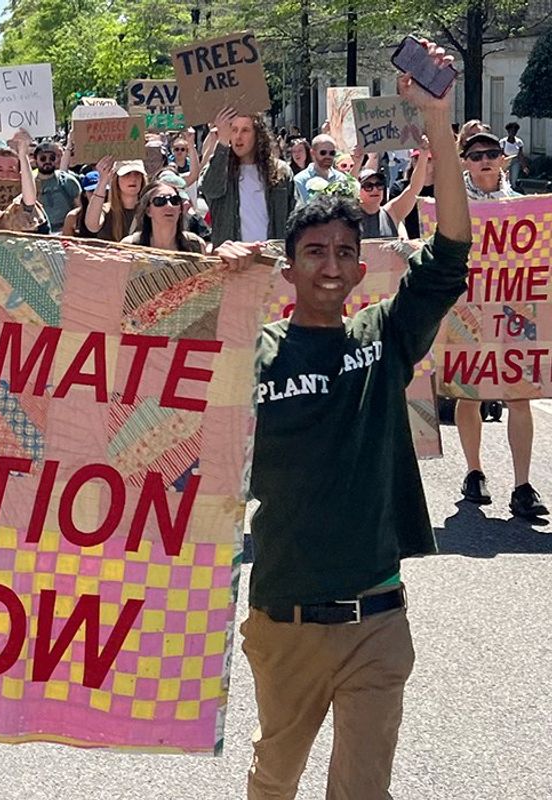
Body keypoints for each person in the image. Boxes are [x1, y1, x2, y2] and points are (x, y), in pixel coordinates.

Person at [219, 39, 472, 799]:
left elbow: (451, 251)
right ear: (288, 266)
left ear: (362, 268)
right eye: (313, 252)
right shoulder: (251, 356)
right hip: (283, 620)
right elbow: (156, 373)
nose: (330, 265)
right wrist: (213, 284)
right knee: (274, 781)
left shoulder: (382, 340)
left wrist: (438, 122)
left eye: (343, 252)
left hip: (377, 620)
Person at [454, 128, 547, 519]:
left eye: (491, 153)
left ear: (503, 159)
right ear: (465, 163)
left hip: (514, 310)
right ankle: (474, 472)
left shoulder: (522, 207)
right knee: (468, 392)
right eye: (476, 156)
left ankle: (522, 486)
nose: (485, 161)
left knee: (519, 394)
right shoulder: (453, 206)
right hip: (468, 309)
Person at [200, 108, 295, 244]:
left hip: (271, 254)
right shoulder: (219, 168)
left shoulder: (281, 171)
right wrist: (222, 143)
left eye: (245, 130)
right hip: (232, 254)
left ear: (258, 135)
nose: (238, 136)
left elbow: (293, 218)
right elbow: (210, 189)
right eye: (234, 130)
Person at [357, 142, 429, 239]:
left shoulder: (391, 213)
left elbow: (414, 188)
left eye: (379, 185)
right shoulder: (349, 217)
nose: (375, 189)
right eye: (368, 186)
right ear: (357, 189)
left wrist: (424, 155)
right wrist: (357, 162)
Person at [120, 177, 208, 253]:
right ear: (148, 210)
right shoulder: (130, 246)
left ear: (180, 209)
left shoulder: (196, 245)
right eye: (160, 201)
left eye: (175, 200)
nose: (169, 206)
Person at [82, 156, 146, 241]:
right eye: (126, 174)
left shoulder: (150, 210)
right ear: (116, 179)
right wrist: (103, 180)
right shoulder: (106, 210)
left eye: (137, 174)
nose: (133, 178)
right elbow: (92, 226)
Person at [32, 140, 82, 232]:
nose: (47, 161)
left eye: (52, 158)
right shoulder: (30, 185)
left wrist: (68, 227)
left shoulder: (67, 181)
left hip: (65, 232)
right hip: (39, 232)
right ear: (35, 160)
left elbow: (80, 208)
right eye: (43, 158)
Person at [292, 134, 349, 204]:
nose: (328, 156)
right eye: (323, 153)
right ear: (313, 153)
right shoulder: (300, 180)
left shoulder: (341, 178)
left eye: (332, 153)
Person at [61, 170, 98, 236]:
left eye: (101, 190)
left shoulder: (113, 214)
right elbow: (66, 240)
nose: (97, 194)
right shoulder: (73, 217)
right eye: (92, 191)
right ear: (84, 194)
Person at [502, 121, 528, 188]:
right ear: (508, 131)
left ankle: (513, 189)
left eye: (515, 131)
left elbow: (520, 155)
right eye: (511, 131)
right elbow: (500, 153)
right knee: (506, 178)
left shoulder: (519, 142)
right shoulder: (503, 142)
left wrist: (524, 166)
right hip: (506, 161)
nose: (513, 133)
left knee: (514, 179)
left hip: (515, 161)